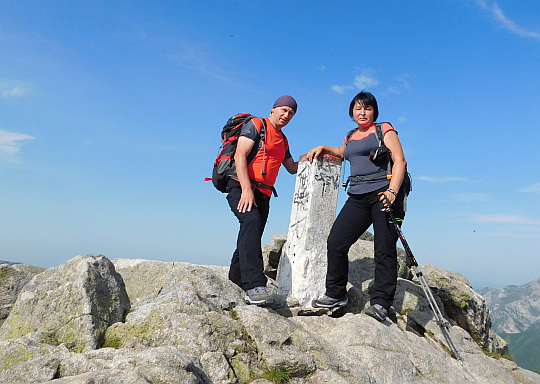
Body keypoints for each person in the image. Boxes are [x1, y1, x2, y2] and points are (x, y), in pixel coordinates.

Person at [306, 91, 407, 322]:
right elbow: (344, 153)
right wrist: (324, 147)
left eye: (367, 108)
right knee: (336, 242)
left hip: (383, 193)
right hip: (357, 196)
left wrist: (392, 191)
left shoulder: (384, 129)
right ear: (352, 112)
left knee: (383, 248)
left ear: (374, 112)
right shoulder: (351, 134)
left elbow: (400, 160)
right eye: (358, 108)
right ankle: (336, 294)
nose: (362, 112)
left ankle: (381, 302)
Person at [227, 95, 299, 305]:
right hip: (241, 185)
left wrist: (315, 154)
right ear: (273, 109)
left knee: (251, 232)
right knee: (250, 223)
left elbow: (292, 168)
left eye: (291, 113)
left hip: (264, 193)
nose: (286, 115)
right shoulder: (257, 125)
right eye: (284, 110)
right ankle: (254, 285)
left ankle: (236, 282)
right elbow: (240, 155)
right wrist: (246, 190)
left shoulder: (283, 140)